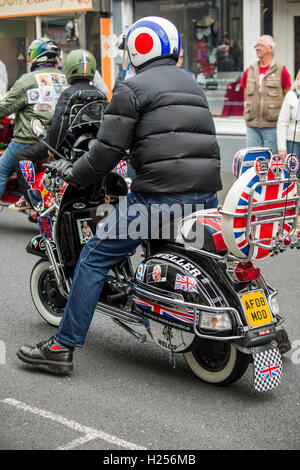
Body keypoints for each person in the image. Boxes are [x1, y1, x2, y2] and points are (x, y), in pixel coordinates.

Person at [17, 16, 222, 374]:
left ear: (140, 47)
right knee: (167, 251)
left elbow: (102, 155)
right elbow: (176, 139)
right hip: (205, 197)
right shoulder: (193, 85)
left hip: (158, 201)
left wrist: (70, 171)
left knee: (95, 256)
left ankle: (61, 348)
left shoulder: (131, 87)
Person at [9, 49, 107, 210]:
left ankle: (30, 198)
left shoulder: (68, 94)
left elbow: (58, 125)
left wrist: (53, 150)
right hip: (91, 145)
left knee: (22, 157)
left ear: (69, 68)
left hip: (68, 144)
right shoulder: (100, 94)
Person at [0, 38, 66, 202]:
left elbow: (4, 108)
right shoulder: (65, 79)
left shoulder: (27, 80)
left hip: (28, 139)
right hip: (58, 140)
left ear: (35, 57)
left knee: (1, 169)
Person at [240, 35, 292, 154]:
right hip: (252, 124)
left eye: (261, 45)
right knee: (253, 159)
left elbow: (288, 97)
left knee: (270, 160)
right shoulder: (250, 70)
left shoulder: (280, 70)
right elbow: (245, 96)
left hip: (272, 125)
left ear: (270, 48)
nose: (257, 48)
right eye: (256, 45)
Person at [277, 69, 300, 178]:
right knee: (292, 176)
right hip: (293, 142)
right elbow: (282, 122)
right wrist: (282, 148)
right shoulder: (291, 95)